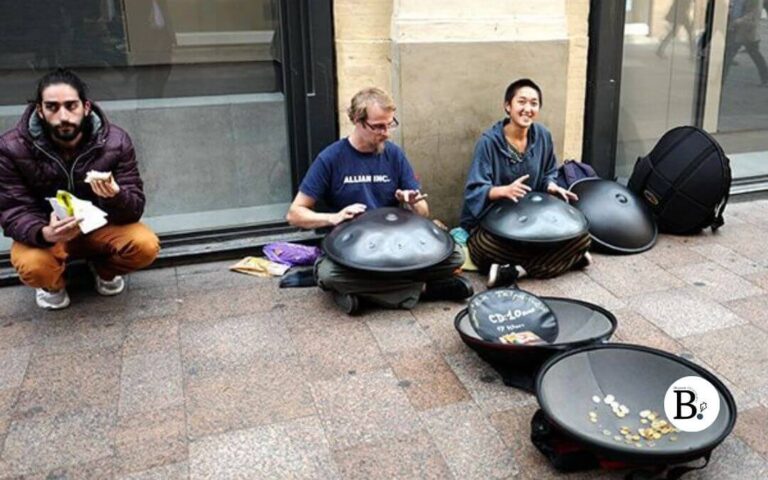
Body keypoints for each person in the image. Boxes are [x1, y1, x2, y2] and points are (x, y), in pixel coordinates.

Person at [286, 87, 472, 314]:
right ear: (357, 121)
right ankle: (424, 290)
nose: (386, 133)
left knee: (455, 256)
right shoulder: (331, 158)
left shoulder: (394, 155)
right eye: (378, 127)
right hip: (354, 250)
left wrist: (412, 201)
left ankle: (365, 294)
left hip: (396, 244)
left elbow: (423, 212)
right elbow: (295, 214)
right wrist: (333, 217)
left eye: (390, 124)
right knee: (328, 274)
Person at [0, 69, 160, 310]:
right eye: (52, 107)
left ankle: (103, 271)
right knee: (34, 266)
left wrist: (115, 196)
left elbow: (134, 208)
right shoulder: (11, 148)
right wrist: (44, 233)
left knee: (145, 245)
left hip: (98, 228)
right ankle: (53, 285)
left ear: (85, 107)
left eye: (71, 106)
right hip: (48, 232)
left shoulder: (116, 141)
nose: (63, 116)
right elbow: (12, 210)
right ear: (40, 111)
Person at [459, 78, 591, 287]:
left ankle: (518, 270)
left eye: (533, 103)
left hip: (532, 221)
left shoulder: (543, 136)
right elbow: (475, 189)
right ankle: (564, 260)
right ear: (508, 106)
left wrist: (551, 186)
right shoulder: (489, 142)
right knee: (483, 248)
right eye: (521, 102)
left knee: (583, 239)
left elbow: (549, 171)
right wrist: (503, 191)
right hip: (493, 223)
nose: (527, 109)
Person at [723, 0, 768, 86]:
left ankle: (719, 80)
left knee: (729, 55)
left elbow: (753, 14)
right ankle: (765, 78)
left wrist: (737, 21)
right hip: (737, 30)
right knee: (754, 54)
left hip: (746, 30)